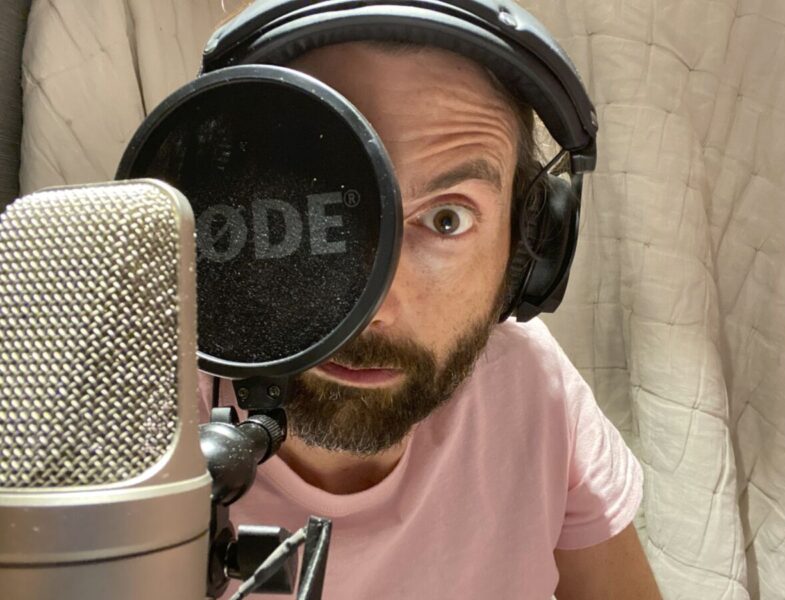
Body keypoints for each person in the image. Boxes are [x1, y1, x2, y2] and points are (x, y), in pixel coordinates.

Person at [198, 7, 662, 600]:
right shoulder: (126, 421)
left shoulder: (534, 391)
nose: (374, 309)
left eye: (447, 219)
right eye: (314, 211)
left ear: (529, 254)